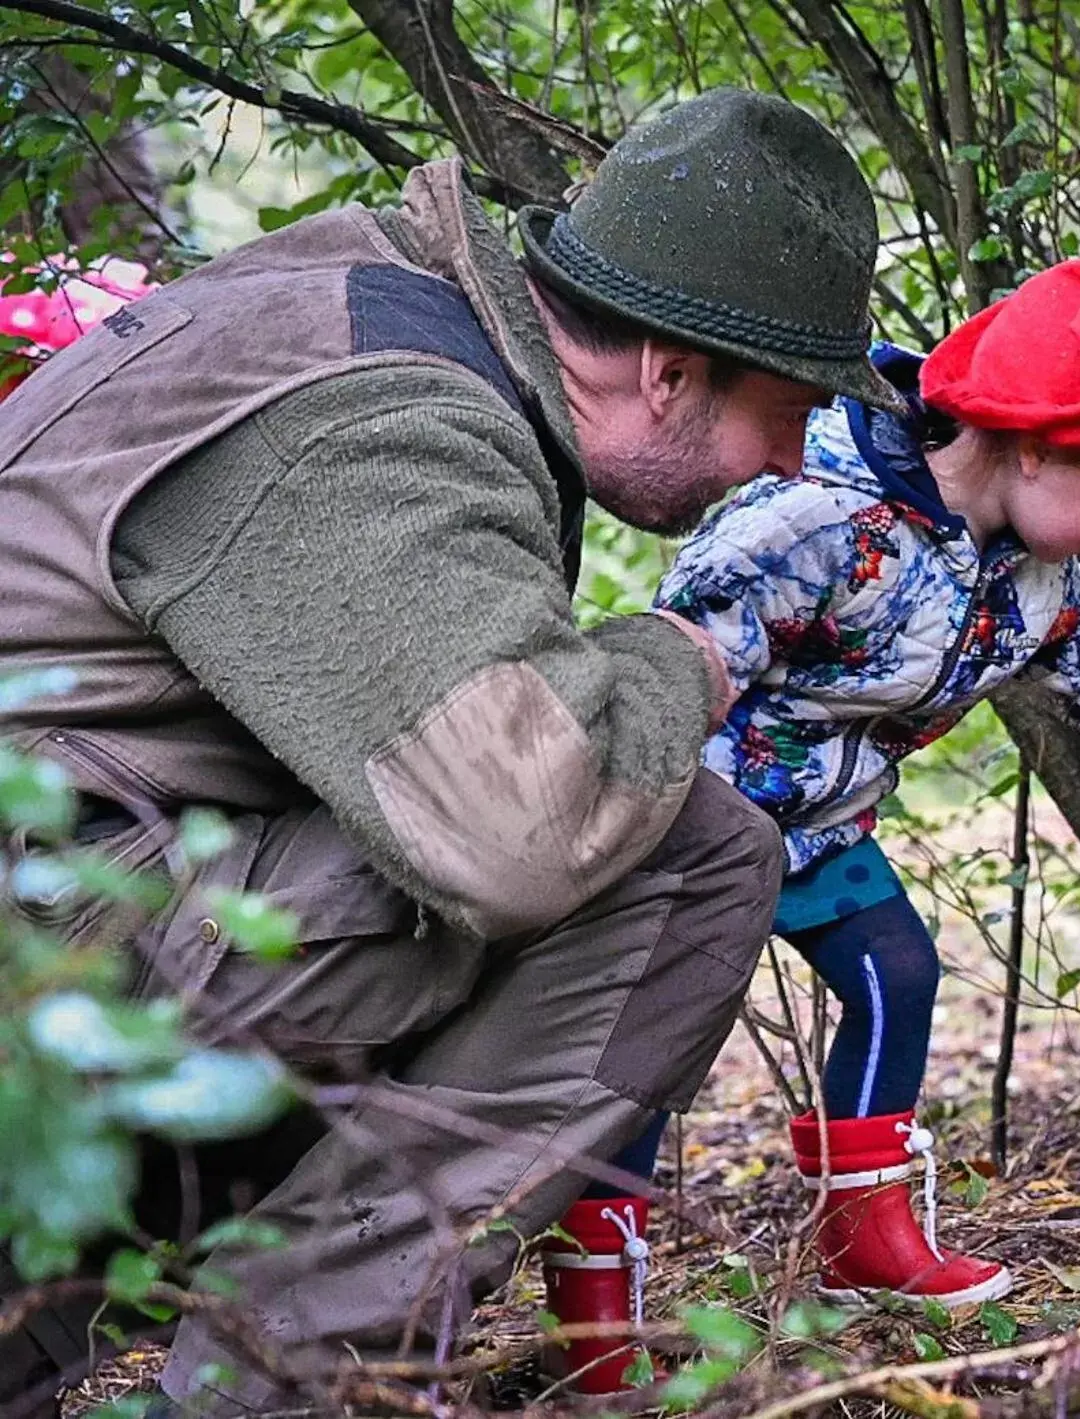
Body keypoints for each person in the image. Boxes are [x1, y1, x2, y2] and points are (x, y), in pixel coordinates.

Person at [0, 89, 897, 1415]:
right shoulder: (386, 419)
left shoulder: (363, 308)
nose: (781, 461)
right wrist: (678, 657)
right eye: (786, 409)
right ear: (669, 366)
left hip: (61, 897)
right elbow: (517, 834)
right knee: (688, 857)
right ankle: (282, 1387)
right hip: (44, 933)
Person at [635, 259, 1080, 1305]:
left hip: (823, 832)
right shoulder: (814, 521)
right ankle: (593, 1304)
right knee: (645, 1050)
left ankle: (864, 1236)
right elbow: (672, 670)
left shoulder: (1027, 582)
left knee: (894, 972)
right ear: (1032, 449)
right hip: (691, 829)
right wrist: (626, 828)